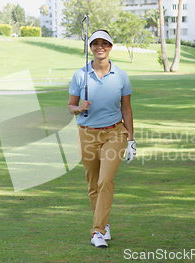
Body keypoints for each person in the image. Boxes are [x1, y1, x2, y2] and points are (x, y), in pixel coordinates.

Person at [67, 30, 137, 248]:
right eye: (95, 43)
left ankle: (97, 231)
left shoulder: (121, 75)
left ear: (110, 47)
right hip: (86, 133)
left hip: (115, 132)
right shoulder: (80, 75)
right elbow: (70, 106)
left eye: (104, 43)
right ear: (90, 48)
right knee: (93, 184)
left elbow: (126, 109)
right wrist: (80, 107)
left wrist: (132, 139)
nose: (100, 47)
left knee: (106, 180)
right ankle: (104, 223)